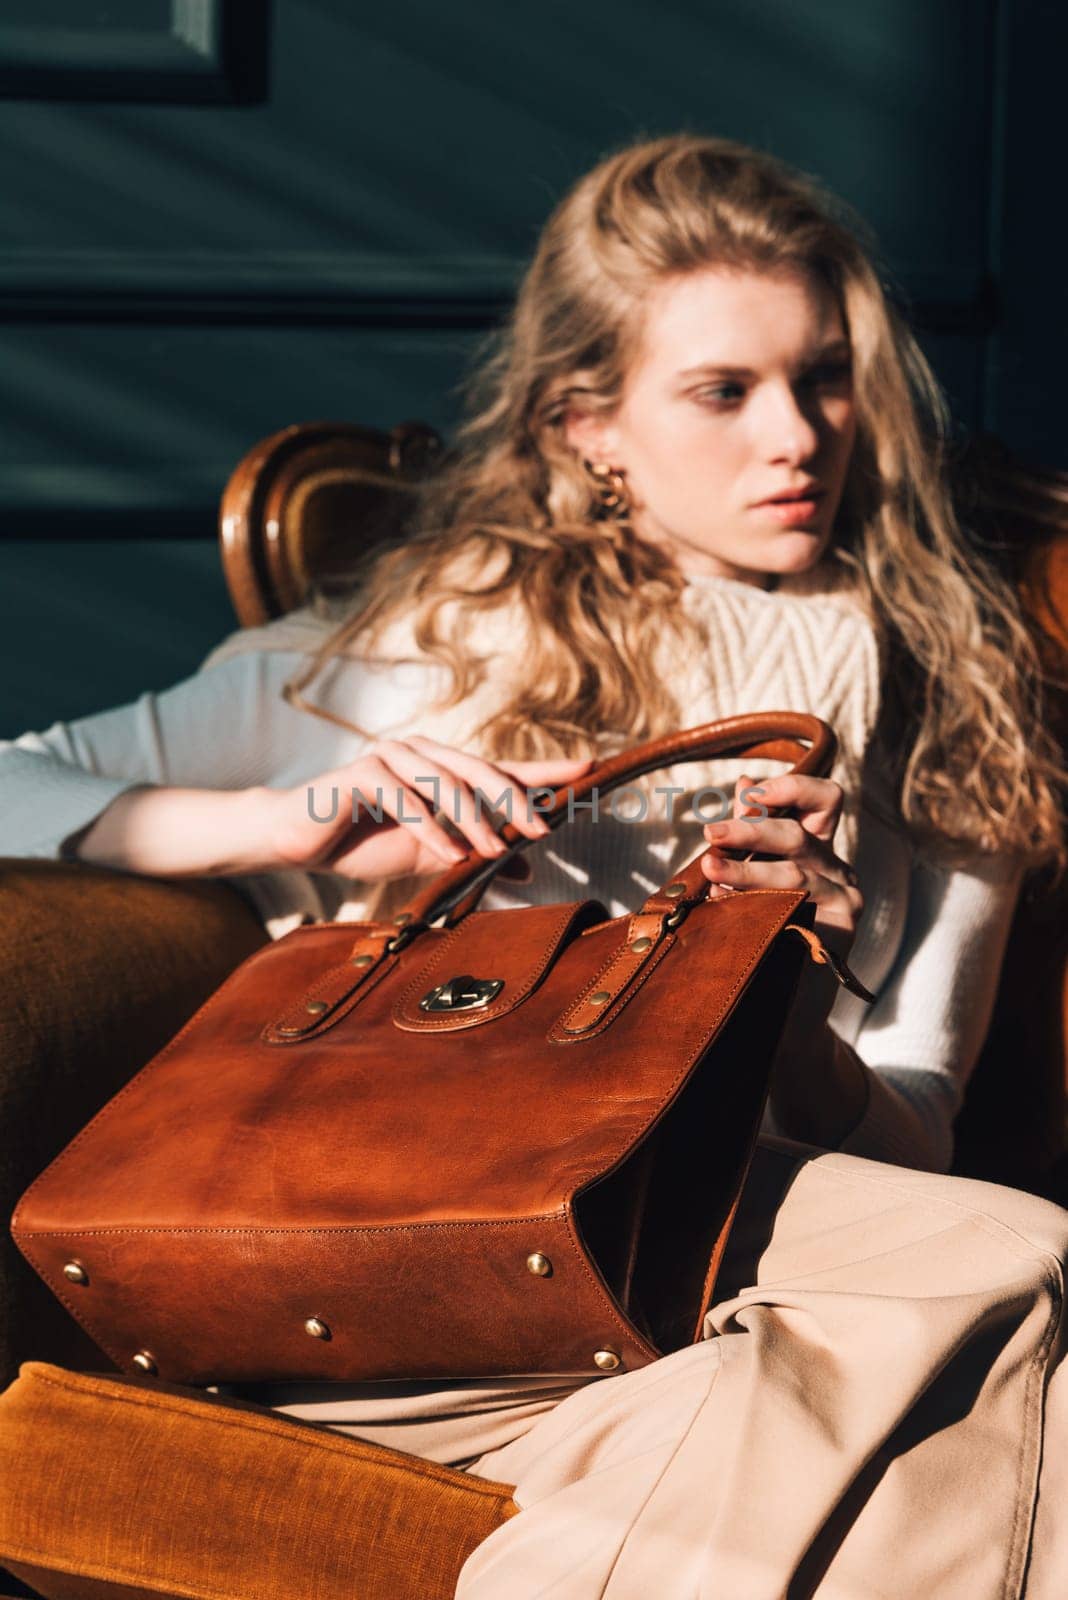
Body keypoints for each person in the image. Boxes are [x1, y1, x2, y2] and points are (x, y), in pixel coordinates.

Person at [3, 134, 1068, 1597]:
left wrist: (790, 990)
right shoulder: (409, 654)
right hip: (423, 1260)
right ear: (589, 430)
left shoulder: (953, 707)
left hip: (744, 1281)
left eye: (826, 377)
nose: (800, 436)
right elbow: (13, 779)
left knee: (987, 1354)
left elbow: (915, 1137)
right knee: (1010, 1274)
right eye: (724, 391)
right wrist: (281, 823)